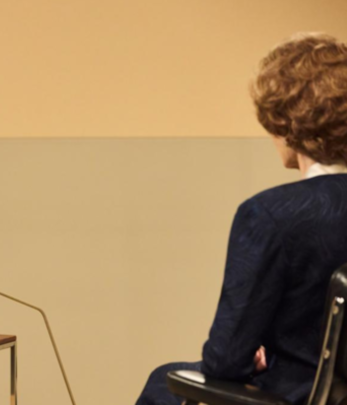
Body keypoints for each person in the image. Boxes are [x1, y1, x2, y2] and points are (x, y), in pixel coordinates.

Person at [136, 33, 347, 405]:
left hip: (296, 395)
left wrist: (250, 357)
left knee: (162, 382)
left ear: (283, 121)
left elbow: (225, 360)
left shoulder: (271, 214)